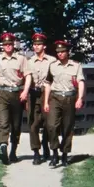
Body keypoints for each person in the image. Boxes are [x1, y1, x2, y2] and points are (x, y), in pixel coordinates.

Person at [0, 32, 31, 164]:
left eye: (10, 44)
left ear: (14, 45)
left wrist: (25, 91)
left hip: (17, 94)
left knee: (16, 125)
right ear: (2, 46)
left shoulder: (21, 59)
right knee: (3, 123)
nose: (7, 46)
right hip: (2, 93)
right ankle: (3, 147)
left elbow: (28, 76)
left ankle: (13, 151)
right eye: (5, 44)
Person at [42, 40, 85, 168]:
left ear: (67, 52)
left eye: (62, 52)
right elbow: (48, 83)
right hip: (55, 97)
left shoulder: (76, 66)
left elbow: (81, 82)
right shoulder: (53, 65)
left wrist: (80, 98)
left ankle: (65, 154)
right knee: (51, 125)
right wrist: (45, 101)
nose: (60, 54)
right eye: (58, 52)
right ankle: (54, 153)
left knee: (67, 127)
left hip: (69, 98)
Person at [25, 32, 56, 165]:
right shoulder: (29, 61)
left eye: (39, 44)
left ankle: (48, 147)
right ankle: (36, 152)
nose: (36, 47)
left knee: (49, 124)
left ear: (44, 46)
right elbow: (26, 79)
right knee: (33, 125)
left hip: (47, 93)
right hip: (33, 94)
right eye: (35, 44)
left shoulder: (52, 61)